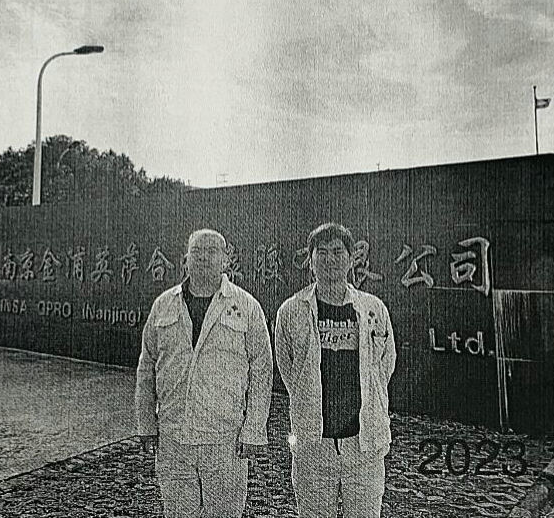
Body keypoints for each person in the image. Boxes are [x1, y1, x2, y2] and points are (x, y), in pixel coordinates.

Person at [135, 229, 273, 518]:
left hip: (224, 439)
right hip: (174, 437)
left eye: (212, 251)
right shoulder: (164, 304)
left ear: (226, 260)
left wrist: (254, 429)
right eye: (196, 251)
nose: (203, 257)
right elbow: (147, 367)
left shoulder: (246, 306)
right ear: (186, 259)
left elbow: (262, 370)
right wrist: (146, 423)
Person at [274, 222, 396, 518]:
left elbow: (385, 364)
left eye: (338, 252)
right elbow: (288, 368)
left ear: (352, 258)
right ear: (310, 260)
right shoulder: (291, 311)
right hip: (314, 444)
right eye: (322, 252)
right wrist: (307, 397)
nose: (330, 259)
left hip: (363, 443)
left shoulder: (373, 308)